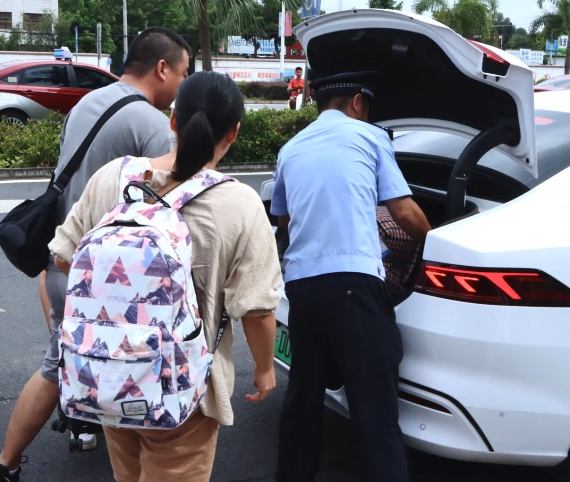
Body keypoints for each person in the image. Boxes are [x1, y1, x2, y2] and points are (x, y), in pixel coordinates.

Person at [48, 71, 281, 482]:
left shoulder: (114, 177)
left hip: (110, 373)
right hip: (183, 387)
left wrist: (124, 308)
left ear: (173, 119)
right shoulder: (240, 203)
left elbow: (65, 257)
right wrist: (264, 368)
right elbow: (257, 308)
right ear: (234, 132)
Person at [0, 27, 192, 482]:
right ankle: (9, 462)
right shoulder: (152, 125)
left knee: (70, 356)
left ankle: (63, 434)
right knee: (108, 364)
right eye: (183, 73)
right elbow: (170, 206)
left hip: (61, 260)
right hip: (107, 277)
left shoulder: (86, 104)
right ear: (162, 68)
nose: (182, 85)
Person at [272, 72, 431, 482]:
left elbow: (285, 218)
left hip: (302, 288)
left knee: (303, 400)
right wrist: (437, 242)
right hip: (354, 285)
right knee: (375, 408)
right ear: (358, 102)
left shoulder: (291, 148)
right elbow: (403, 211)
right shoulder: (371, 137)